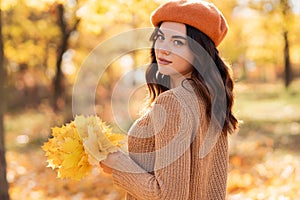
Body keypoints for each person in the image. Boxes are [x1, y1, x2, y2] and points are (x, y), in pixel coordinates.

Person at [100, 0, 238, 199]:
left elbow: (168, 196)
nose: (163, 49)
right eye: (161, 38)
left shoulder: (173, 102)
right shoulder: (210, 99)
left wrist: (119, 164)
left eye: (178, 42)